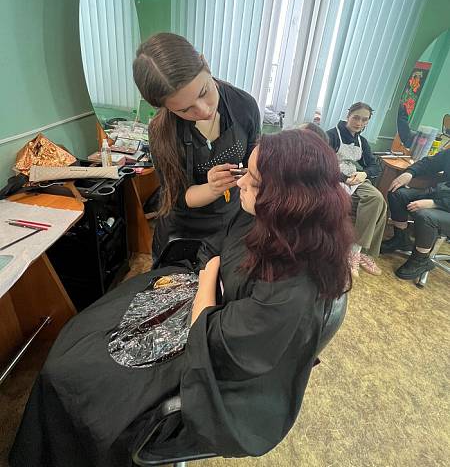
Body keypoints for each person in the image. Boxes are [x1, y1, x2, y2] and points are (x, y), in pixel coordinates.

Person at [10, 129, 353, 467]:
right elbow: (215, 252)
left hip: (212, 359)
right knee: (82, 337)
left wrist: (207, 282)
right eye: (247, 171)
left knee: (72, 377)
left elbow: (214, 339)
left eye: (255, 180)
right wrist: (209, 278)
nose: (241, 182)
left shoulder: (291, 287)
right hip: (206, 301)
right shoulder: (269, 218)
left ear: (289, 198)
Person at [132, 32, 261, 259]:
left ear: (205, 63)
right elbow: (179, 197)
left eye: (204, 92)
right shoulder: (162, 131)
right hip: (183, 231)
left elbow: (255, 167)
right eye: (184, 110)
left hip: (232, 220)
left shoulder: (244, 106)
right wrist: (211, 188)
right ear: (166, 108)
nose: (203, 110)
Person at [327, 102, 387, 277]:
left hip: (355, 179)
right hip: (333, 178)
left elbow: (375, 166)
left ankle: (356, 251)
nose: (359, 123)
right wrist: (343, 179)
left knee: (378, 200)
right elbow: (321, 164)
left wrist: (364, 174)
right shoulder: (331, 136)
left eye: (364, 120)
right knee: (377, 205)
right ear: (348, 116)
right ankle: (358, 252)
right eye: (356, 118)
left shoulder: (362, 142)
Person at [381, 148, 450, 280]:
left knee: (425, 216)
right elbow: (429, 163)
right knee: (397, 194)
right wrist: (410, 173)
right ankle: (401, 239)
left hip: (443, 204)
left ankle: (421, 260)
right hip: (441, 196)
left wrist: (435, 203)